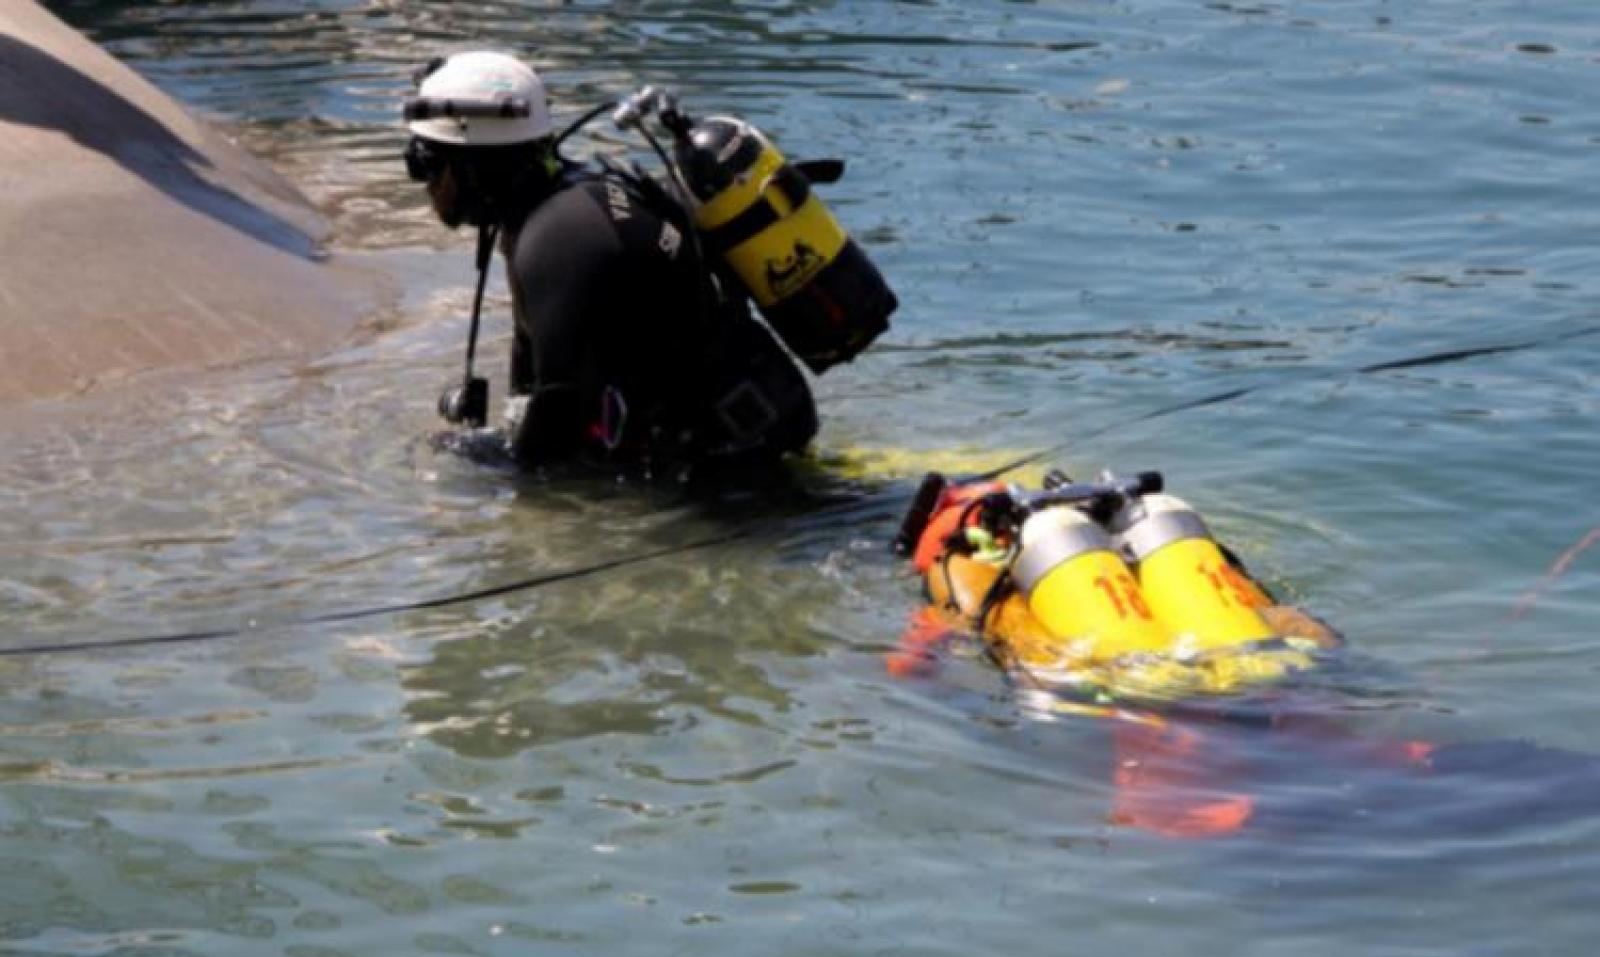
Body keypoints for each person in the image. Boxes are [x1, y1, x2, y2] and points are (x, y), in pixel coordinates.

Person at [402, 51, 820, 475]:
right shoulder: (558, 208)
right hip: (746, 430)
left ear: (474, 165)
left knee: (443, 459)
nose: (423, 182)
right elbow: (537, 376)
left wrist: (498, 479)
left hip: (735, 469)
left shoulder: (560, 238)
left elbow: (555, 424)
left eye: (427, 164)